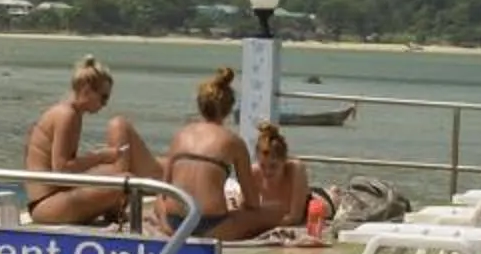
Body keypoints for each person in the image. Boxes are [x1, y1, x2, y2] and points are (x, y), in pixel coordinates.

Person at [158, 73, 314, 242]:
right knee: (273, 212)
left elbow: (164, 190)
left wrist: (164, 219)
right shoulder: (234, 142)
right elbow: (252, 203)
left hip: (175, 223)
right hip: (212, 226)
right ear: (228, 109)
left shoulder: (181, 135)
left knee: (161, 203)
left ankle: (164, 225)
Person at [25, 56, 156, 226]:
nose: (105, 104)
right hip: (46, 204)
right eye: (103, 97)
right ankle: (116, 213)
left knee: (112, 173)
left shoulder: (68, 112)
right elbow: (62, 169)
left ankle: (114, 211)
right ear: (87, 90)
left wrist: (101, 161)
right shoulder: (67, 115)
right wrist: (100, 156)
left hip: (51, 198)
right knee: (125, 180)